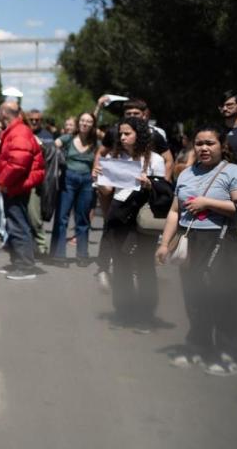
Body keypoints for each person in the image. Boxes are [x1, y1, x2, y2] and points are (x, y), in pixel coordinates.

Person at [156, 125, 237, 375]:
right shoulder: (186, 174)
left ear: (222, 146)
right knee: (194, 298)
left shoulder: (234, 172)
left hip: (221, 241)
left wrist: (208, 203)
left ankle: (229, 354)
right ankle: (199, 346)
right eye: (199, 143)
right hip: (190, 241)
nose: (204, 148)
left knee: (223, 299)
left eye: (210, 143)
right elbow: (175, 211)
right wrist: (165, 244)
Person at [94, 117, 166, 332]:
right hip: (119, 218)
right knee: (122, 265)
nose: (123, 137)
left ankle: (146, 315)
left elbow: (161, 194)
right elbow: (108, 192)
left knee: (144, 266)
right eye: (121, 134)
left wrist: (148, 184)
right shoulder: (115, 157)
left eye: (128, 133)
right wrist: (100, 180)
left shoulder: (154, 160)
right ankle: (123, 312)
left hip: (142, 220)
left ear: (139, 135)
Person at [0, 102, 46, 281]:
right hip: (15, 185)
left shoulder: (19, 131)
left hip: (16, 186)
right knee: (15, 223)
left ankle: (25, 266)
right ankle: (19, 262)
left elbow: (18, 163)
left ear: (5, 112)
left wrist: (2, 181)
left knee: (19, 225)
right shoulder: (16, 130)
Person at [50, 112, 97, 267]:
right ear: (78, 123)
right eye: (82, 120)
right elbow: (52, 145)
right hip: (67, 179)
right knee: (62, 217)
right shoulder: (68, 139)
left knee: (83, 219)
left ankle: (82, 256)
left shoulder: (96, 142)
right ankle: (58, 256)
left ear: (92, 125)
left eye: (89, 121)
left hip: (87, 181)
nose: (85, 123)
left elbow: (105, 155)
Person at [26, 109, 55, 257]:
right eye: (31, 119)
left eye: (37, 120)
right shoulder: (23, 132)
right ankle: (27, 247)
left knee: (35, 217)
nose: (34, 122)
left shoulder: (47, 136)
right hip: (21, 180)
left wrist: (42, 148)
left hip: (37, 182)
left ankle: (42, 247)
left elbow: (51, 158)